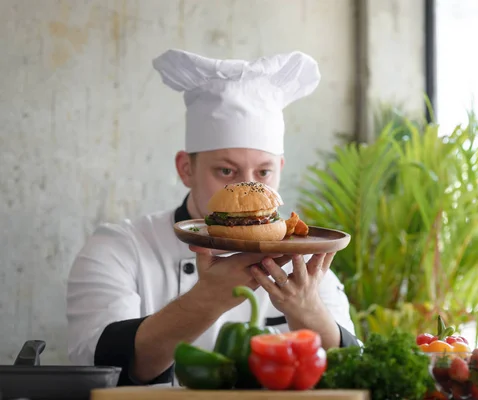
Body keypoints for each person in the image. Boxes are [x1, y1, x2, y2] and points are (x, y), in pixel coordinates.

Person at [66, 48, 360, 386]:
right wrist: (205, 300)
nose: (248, 188)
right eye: (225, 170)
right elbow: (98, 367)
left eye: (263, 172)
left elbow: (352, 373)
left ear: (279, 170)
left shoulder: (305, 259)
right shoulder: (120, 248)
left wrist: (307, 310)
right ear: (185, 169)